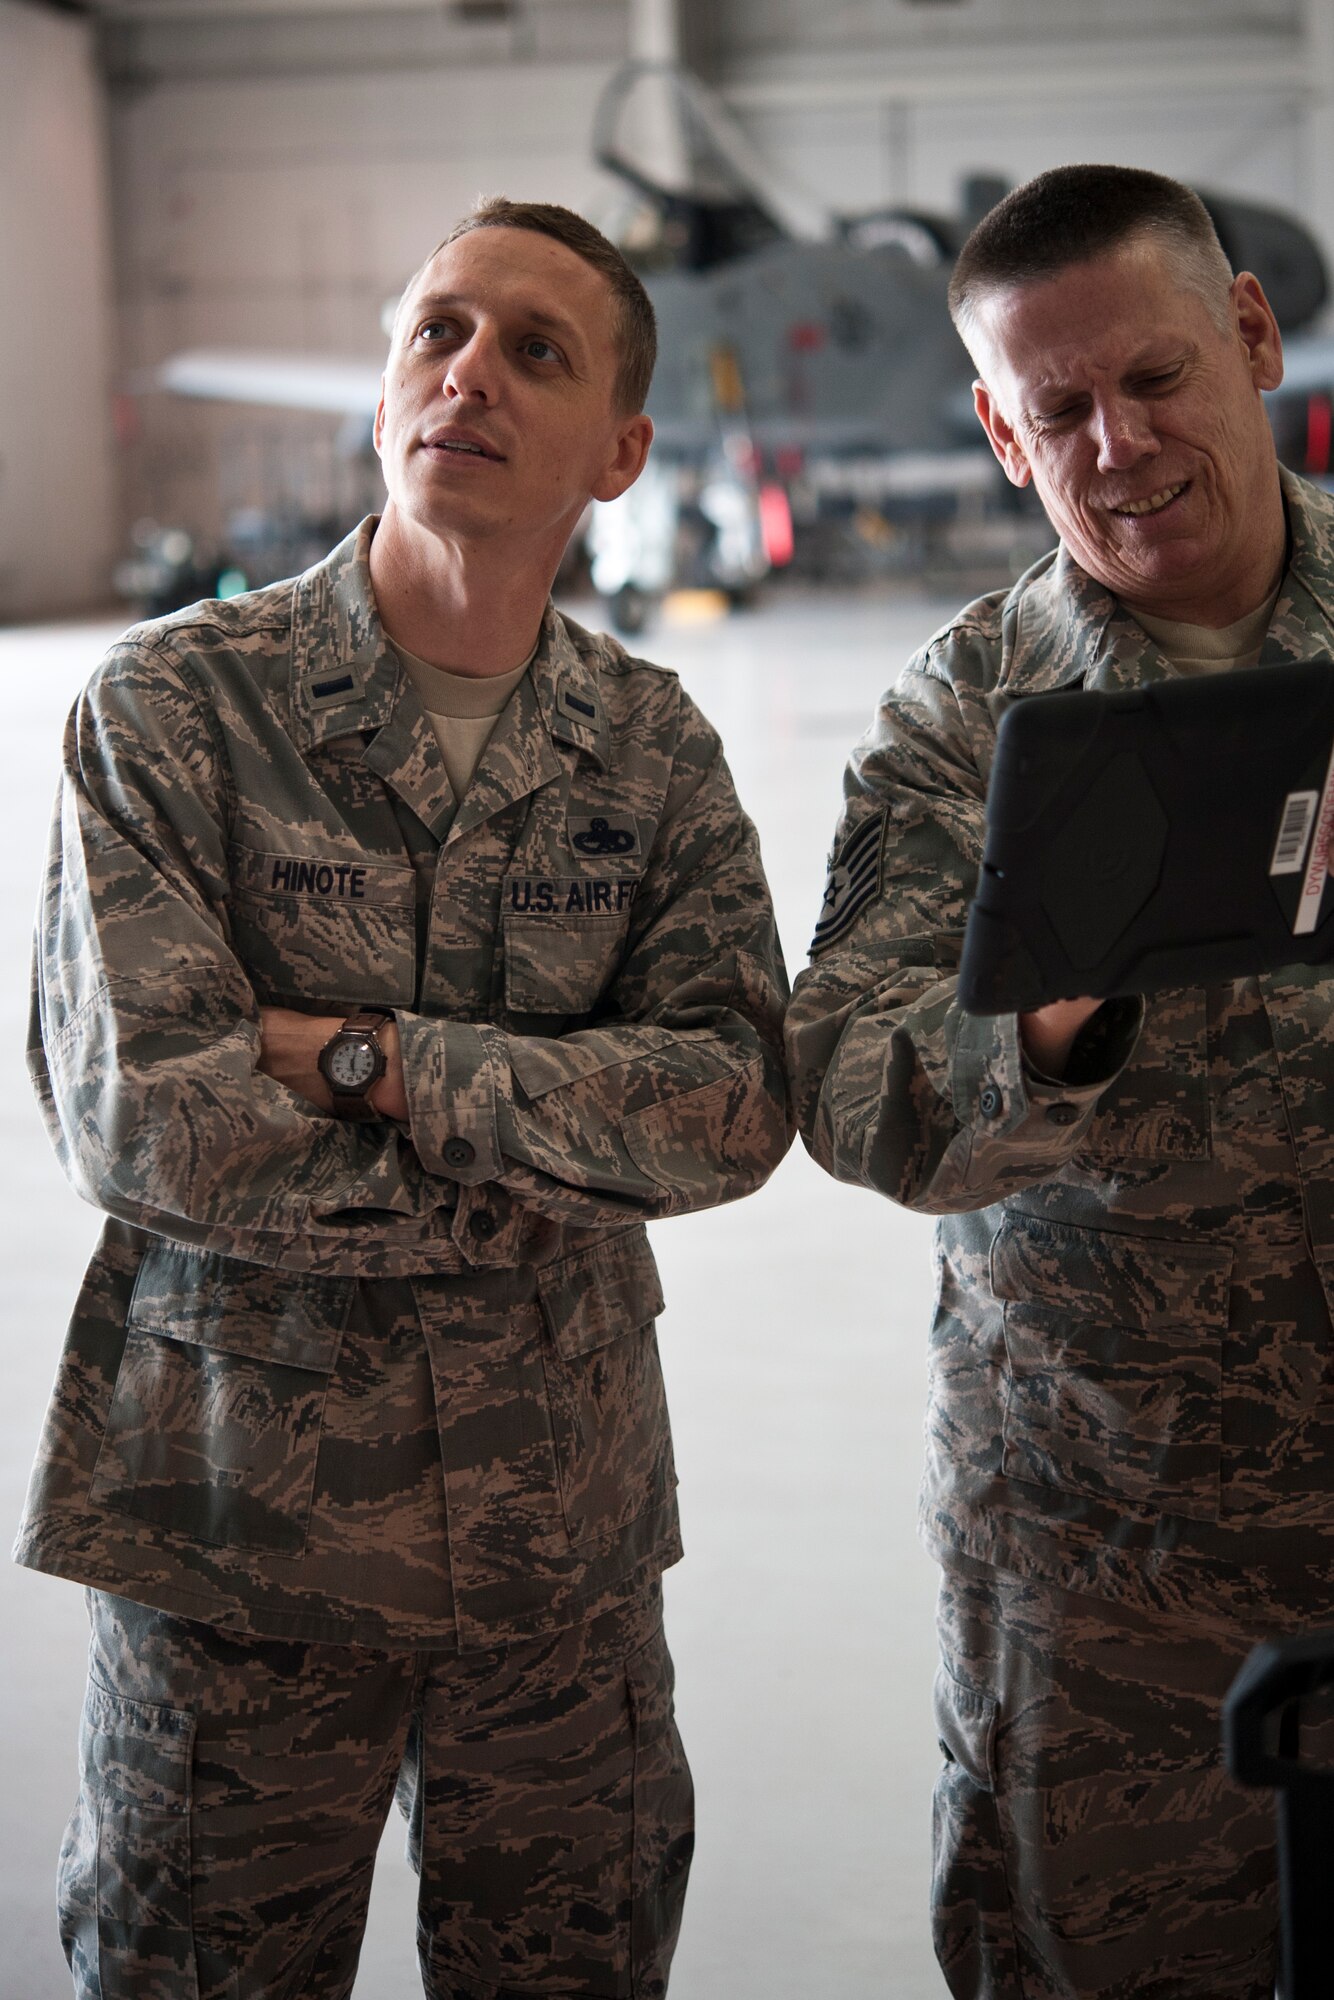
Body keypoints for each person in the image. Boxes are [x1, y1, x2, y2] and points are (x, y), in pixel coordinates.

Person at [17, 197, 791, 2000]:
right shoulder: (172, 712)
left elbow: (734, 1102)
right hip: (241, 1547)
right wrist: (556, 1138)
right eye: (438, 331)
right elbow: (156, 1125)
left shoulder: (653, 749)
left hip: (561, 1557)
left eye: (536, 349)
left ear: (620, 451)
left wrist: (373, 1060)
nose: (469, 375)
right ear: (383, 391)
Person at [786, 162, 1334, 2000]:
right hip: (1115, 1570)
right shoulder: (966, 719)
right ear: (1000, 438)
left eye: (1157, 378)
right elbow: (852, 1093)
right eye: (1058, 411)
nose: (1119, 444)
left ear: (1250, 335)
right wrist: (1043, 1011)